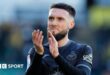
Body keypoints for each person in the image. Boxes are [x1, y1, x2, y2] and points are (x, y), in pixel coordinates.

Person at [25, 3, 93, 75]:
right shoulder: (36, 51)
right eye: (51, 18)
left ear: (71, 24)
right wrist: (38, 54)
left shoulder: (83, 50)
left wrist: (57, 56)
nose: (54, 23)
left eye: (60, 19)